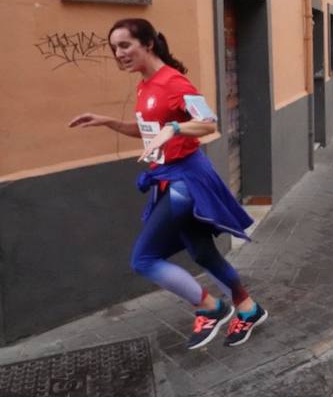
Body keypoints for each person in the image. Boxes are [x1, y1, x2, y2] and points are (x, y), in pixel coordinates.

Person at [69, 18, 267, 350]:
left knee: (143, 259)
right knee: (203, 253)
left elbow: (207, 123)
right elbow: (149, 131)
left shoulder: (175, 82)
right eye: (114, 48)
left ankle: (212, 307)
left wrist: (175, 129)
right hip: (169, 178)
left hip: (186, 179)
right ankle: (248, 309)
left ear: (147, 43)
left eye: (125, 45)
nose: (119, 53)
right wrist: (109, 122)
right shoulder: (144, 84)